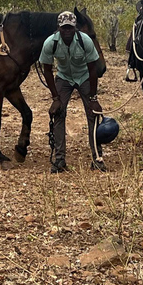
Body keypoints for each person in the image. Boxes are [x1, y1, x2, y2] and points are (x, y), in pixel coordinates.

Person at [40, 11, 105, 173]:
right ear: (59, 28)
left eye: (70, 28)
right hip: (64, 77)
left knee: (93, 114)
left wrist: (93, 97)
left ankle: (97, 158)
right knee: (59, 114)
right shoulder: (51, 43)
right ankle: (60, 159)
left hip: (84, 76)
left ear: (75, 28)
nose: (67, 31)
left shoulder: (85, 41)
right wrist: (55, 97)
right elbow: (47, 70)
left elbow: (93, 69)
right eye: (64, 28)